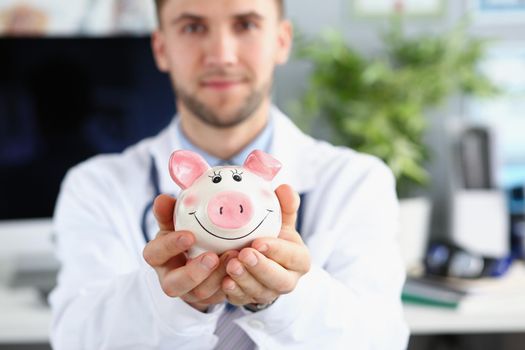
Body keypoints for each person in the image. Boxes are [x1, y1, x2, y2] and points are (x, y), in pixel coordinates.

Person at [49, 0, 410, 348]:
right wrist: (174, 303)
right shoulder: (96, 186)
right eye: (193, 27)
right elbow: (75, 339)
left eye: (246, 24)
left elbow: (381, 340)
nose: (221, 55)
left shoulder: (357, 182)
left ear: (281, 41)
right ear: (161, 48)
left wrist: (285, 298)